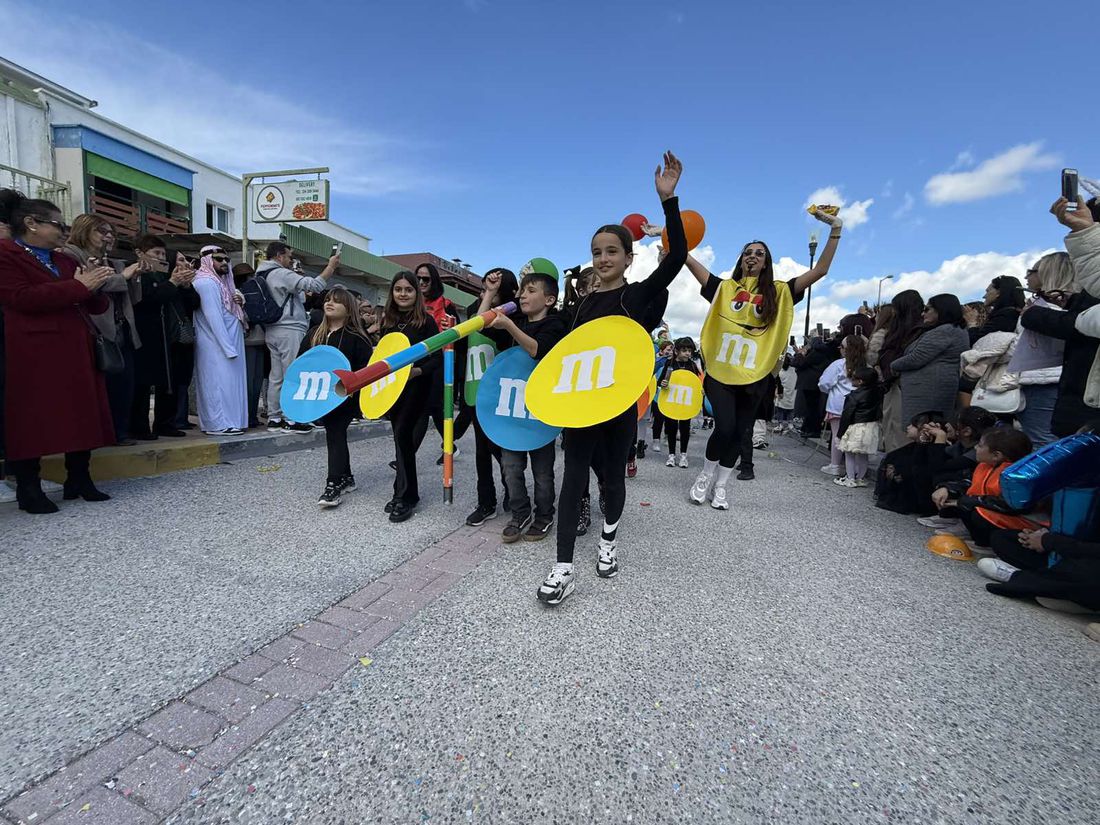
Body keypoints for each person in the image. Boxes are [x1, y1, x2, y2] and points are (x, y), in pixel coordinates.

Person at [537, 151, 686, 606]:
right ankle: (563, 567)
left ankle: (608, 542)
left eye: (611, 251)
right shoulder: (580, 305)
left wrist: (669, 201)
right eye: (597, 252)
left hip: (618, 406)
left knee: (612, 481)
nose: (603, 259)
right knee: (572, 479)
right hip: (581, 406)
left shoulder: (636, 297)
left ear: (628, 257)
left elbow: (677, 257)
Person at [686, 208, 843, 506]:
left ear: (766, 262)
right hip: (721, 372)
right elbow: (687, 259)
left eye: (759, 253)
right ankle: (705, 475)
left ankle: (721, 485)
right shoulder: (724, 289)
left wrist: (836, 229)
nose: (753, 256)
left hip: (756, 375)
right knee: (725, 427)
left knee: (740, 432)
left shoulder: (780, 292)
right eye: (748, 252)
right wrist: (669, 234)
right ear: (741, 259)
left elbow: (821, 270)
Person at [0, 190, 115, 513]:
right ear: (31, 223)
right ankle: (29, 487)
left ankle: (78, 477)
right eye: (57, 225)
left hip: (75, 347)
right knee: (32, 417)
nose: (63, 232)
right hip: (33, 350)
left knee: (81, 412)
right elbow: (21, 298)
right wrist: (79, 287)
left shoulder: (65, 260)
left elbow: (94, 305)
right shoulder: (7, 254)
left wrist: (95, 285)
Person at [487, 269, 566, 541]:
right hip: (510, 409)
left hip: (540, 413)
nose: (522, 295)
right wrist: (490, 294)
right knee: (510, 468)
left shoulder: (555, 325)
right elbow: (480, 323)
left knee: (543, 472)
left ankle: (544, 515)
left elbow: (536, 350)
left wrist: (509, 326)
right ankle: (519, 513)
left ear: (549, 300)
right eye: (522, 290)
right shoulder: (516, 321)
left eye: (531, 291)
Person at [60, 214, 143, 445]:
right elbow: (88, 286)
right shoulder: (71, 256)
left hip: (122, 329)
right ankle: (98, 434)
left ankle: (119, 432)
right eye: (102, 232)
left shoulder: (114, 262)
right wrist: (122, 277)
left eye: (111, 233)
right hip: (95, 332)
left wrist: (135, 278)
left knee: (123, 385)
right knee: (99, 387)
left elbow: (133, 299)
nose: (108, 237)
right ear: (84, 231)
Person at [298, 287, 374, 508]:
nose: (329, 303)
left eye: (337, 301)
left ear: (348, 309)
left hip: (345, 397)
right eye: (328, 300)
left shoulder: (357, 337)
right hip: (320, 395)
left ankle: (333, 485)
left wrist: (354, 391)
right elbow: (301, 362)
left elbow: (365, 370)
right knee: (336, 433)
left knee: (334, 432)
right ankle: (347, 477)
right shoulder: (314, 333)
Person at [257, 241, 340, 432]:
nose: (290, 260)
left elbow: (300, 297)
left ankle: (275, 417)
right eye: (289, 256)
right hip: (289, 328)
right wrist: (331, 266)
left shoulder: (262, 273)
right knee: (293, 373)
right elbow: (315, 286)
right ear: (279, 256)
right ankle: (293, 418)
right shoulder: (280, 273)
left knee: (276, 376)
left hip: (272, 329)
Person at [380, 271, 440, 523]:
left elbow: (437, 358)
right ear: (392, 293)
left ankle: (406, 496)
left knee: (403, 435)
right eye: (398, 289)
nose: (403, 294)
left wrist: (417, 371)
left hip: (418, 387)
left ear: (416, 293)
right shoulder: (387, 322)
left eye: (408, 289)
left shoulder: (426, 322)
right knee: (400, 438)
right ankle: (403, 491)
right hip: (394, 390)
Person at [463, 267, 521, 526]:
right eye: (485, 287)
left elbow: (488, 325)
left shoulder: (513, 314)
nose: (488, 291)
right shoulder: (474, 309)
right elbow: (475, 325)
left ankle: (513, 490)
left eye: (496, 288)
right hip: (476, 390)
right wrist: (488, 293)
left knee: (502, 450)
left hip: (502, 392)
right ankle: (486, 502)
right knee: (481, 452)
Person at [129, 235, 195, 439]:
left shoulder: (166, 275)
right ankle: (139, 427)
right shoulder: (137, 273)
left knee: (169, 383)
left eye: (163, 254)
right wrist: (173, 283)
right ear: (140, 253)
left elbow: (193, 303)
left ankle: (166, 423)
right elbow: (149, 300)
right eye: (156, 253)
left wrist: (185, 286)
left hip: (169, 336)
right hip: (145, 335)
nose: (160, 257)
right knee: (143, 384)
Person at [1009, 253, 1078, 446]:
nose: (1026, 276)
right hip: (1049, 379)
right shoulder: (1064, 304)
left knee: (1043, 441)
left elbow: (1022, 344)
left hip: (1044, 380)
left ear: (1047, 272)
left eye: (1031, 271)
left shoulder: (1051, 308)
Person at [932, 427, 1037, 550]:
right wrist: (947, 489)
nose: (975, 447)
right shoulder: (984, 466)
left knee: (972, 508)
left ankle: (986, 543)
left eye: (980, 445)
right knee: (959, 498)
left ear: (996, 455)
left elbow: (1009, 505)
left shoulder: (1017, 476)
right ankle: (975, 537)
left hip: (1020, 523)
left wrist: (971, 501)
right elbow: (968, 483)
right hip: (989, 510)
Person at [192, 245, 247, 435]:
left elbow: (231, 312)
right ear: (208, 261)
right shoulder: (206, 283)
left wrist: (241, 301)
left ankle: (234, 421)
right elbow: (213, 318)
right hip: (216, 346)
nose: (224, 262)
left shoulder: (224, 283)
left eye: (226, 259)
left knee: (230, 385)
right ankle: (218, 425)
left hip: (230, 344)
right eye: (218, 259)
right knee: (217, 385)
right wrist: (228, 348)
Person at [890, 294, 970, 425]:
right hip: (928, 392)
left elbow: (916, 358)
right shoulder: (950, 330)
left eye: (927, 309)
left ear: (941, 309)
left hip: (930, 394)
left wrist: (893, 365)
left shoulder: (946, 331)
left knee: (925, 430)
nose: (923, 314)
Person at [817, 334, 867, 477]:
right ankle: (856, 469)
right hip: (860, 407)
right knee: (857, 438)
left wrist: (829, 390)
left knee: (837, 436)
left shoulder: (839, 365)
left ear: (846, 349)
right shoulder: (866, 366)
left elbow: (824, 383)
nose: (840, 349)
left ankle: (835, 465)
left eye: (842, 347)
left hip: (838, 406)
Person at [233, 262, 268, 429]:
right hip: (250, 342)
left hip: (255, 341)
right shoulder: (238, 294)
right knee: (252, 382)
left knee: (254, 382)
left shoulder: (242, 292)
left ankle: (251, 416)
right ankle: (248, 416)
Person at [835, 365, 882, 487]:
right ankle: (860, 478)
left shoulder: (854, 396)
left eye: (854, 378)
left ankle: (850, 478)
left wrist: (840, 434)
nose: (851, 379)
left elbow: (847, 415)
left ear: (860, 381)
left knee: (849, 453)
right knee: (863, 454)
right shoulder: (878, 392)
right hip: (871, 426)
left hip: (856, 426)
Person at [657, 337, 701, 468]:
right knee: (671, 427)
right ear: (676, 351)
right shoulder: (669, 364)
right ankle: (671, 455)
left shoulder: (692, 366)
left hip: (686, 402)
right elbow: (660, 381)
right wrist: (663, 383)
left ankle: (683, 455)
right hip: (671, 400)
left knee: (685, 428)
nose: (688, 353)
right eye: (684, 350)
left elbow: (697, 384)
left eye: (689, 351)